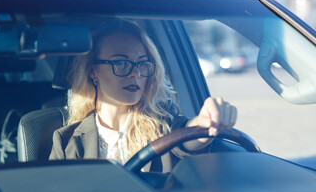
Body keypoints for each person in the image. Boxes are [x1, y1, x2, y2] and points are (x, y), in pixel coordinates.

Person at [49, 20, 237, 172]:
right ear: (92, 71)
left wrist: (204, 124)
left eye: (143, 63)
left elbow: (187, 140)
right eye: (121, 63)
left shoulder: (164, 126)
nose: (136, 74)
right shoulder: (65, 141)